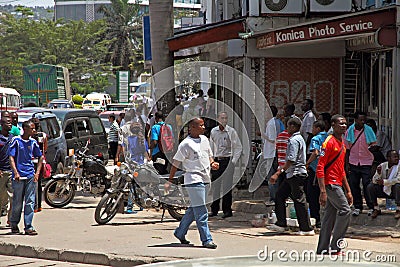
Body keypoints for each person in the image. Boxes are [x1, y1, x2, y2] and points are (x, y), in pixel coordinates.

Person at [164, 117, 219, 249]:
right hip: (193, 180)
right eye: (201, 125)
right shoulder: (186, 144)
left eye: (204, 125)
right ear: (192, 128)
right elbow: (176, 163)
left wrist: (212, 163)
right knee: (201, 211)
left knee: (194, 209)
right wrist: (169, 181)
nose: (204, 127)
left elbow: (209, 155)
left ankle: (180, 232)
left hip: (206, 178)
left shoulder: (205, 140)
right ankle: (206, 239)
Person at [267, 118, 314, 235]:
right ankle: (281, 223)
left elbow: (291, 160)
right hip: (291, 174)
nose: (287, 129)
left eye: (288, 126)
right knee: (280, 195)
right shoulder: (299, 139)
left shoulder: (294, 140)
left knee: (299, 200)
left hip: (295, 174)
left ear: (293, 127)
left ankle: (306, 228)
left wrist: (278, 173)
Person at [316, 114, 353, 255]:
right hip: (330, 184)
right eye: (340, 124)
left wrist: (348, 190)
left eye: (345, 124)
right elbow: (320, 167)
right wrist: (323, 191)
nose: (344, 126)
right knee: (345, 211)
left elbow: (341, 169)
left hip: (337, 182)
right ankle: (335, 246)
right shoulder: (329, 142)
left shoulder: (342, 142)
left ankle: (323, 249)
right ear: (333, 125)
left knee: (328, 219)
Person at [9, 120, 43, 235]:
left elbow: (40, 157)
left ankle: (28, 226)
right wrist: (16, 172)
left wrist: (37, 173)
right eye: (32, 128)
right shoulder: (16, 141)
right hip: (19, 176)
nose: (34, 131)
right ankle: (14, 224)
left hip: (30, 175)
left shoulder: (33, 142)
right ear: (25, 129)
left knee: (30, 202)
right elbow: (11, 157)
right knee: (17, 202)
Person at [209, 111, 242, 218]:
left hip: (228, 161)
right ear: (218, 119)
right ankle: (214, 209)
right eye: (222, 118)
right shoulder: (214, 132)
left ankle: (227, 210)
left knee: (227, 187)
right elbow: (210, 147)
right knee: (216, 186)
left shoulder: (231, 132)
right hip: (216, 161)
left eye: (225, 118)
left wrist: (233, 161)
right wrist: (211, 161)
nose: (224, 120)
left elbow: (238, 147)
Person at [345, 111, 377, 216]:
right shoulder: (350, 131)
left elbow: (374, 144)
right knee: (354, 184)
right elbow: (347, 149)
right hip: (353, 161)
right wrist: (347, 164)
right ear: (355, 120)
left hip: (366, 161)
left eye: (364, 120)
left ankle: (371, 206)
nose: (362, 122)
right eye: (360, 120)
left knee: (367, 185)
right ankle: (358, 206)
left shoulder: (369, 130)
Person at [305, 120, 328, 228]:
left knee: (312, 194)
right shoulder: (329, 137)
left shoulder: (316, 138)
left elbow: (316, 152)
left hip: (316, 170)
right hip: (328, 169)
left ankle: (316, 219)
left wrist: (307, 163)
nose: (312, 130)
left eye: (313, 128)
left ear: (318, 128)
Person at [259, 106, 283, 203]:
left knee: (271, 177)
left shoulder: (271, 123)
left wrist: (263, 135)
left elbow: (273, 139)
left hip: (271, 153)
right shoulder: (276, 122)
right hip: (274, 152)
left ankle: (274, 198)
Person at [367, 150, 400, 219]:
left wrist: (385, 182)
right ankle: (376, 208)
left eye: (397, 157)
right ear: (388, 158)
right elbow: (374, 180)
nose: (397, 158)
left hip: (394, 190)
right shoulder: (382, 166)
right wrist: (378, 174)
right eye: (394, 157)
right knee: (370, 186)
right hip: (384, 190)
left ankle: (398, 209)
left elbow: (398, 179)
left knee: (398, 186)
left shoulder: (399, 166)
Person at [30, 118, 48, 213]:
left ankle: (35, 206)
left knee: (33, 184)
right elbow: (45, 149)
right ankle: (39, 206)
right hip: (41, 162)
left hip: (32, 162)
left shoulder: (28, 136)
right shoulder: (43, 135)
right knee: (39, 184)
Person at [0, 116, 14, 225]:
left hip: (11, 172)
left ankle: (11, 221)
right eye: (8, 123)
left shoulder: (13, 138)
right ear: (2, 124)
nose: (10, 124)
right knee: (1, 199)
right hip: (1, 173)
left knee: (13, 197)